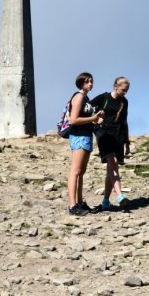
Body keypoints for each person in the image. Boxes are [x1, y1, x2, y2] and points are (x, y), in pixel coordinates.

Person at [66, 73, 104, 216]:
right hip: (79, 136)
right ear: (81, 83)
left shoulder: (86, 98)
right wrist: (92, 118)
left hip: (86, 135)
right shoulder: (79, 96)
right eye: (87, 81)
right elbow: (74, 120)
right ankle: (72, 205)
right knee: (75, 171)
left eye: (91, 81)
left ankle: (79, 202)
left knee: (81, 172)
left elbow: (84, 117)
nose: (90, 84)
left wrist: (95, 119)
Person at [90, 77, 131, 210]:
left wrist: (127, 143)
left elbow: (124, 122)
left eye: (127, 90)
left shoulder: (124, 102)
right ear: (116, 86)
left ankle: (106, 201)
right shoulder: (104, 98)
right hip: (103, 133)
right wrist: (95, 119)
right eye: (123, 90)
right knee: (112, 160)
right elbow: (86, 108)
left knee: (112, 168)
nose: (125, 93)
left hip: (118, 135)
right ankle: (119, 195)